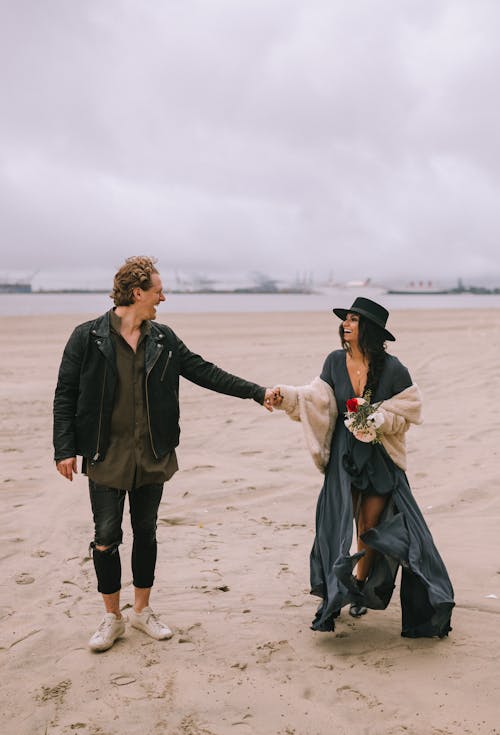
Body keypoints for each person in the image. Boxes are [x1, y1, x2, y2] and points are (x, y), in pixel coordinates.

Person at [53, 256, 276, 652]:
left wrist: (256, 392)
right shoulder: (87, 337)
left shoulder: (163, 339)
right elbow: (65, 394)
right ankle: (112, 618)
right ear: (137, 293)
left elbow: (206, 372)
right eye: (159, 291)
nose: (163, 298)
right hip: (106, 454)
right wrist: (65, 448)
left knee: (146, 533)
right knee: (105, 537)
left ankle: (141, 611)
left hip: (152, 453)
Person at [270, 297, 454, 637]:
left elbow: (410, 411)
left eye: (354, 320)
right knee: (335, 522)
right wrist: (286, 396)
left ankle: (358, 585)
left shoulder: (395, 368)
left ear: (368, 329)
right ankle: (332, 593)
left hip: (379, 459)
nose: (346, 324)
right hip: (344, 456)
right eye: (346, 319)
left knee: (368, 527)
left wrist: (377, 418)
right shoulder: (334, 362)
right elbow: (316, 397)